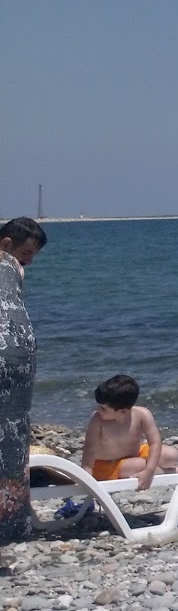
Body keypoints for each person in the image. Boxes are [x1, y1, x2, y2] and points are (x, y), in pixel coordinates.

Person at [0, 217, 46, 542]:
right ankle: (10, 521)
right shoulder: (11, 265)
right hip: (16, 351)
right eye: (26, 252)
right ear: (6, 245)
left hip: (12, 349)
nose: (28, 259)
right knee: (12, 437)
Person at [81, 374, 178, 489]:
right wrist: (87, 479)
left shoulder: (141, 414)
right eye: (99, 406)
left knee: (171, 454)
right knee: (140, 465)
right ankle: (169, 472)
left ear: (123, 411)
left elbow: (155, 443)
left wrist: (149, 470)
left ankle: (156, 471)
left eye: (103, 408)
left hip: (135, 453)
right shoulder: (97, 420)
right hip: (106, 464)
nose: (98, 410)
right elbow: (88, 453)